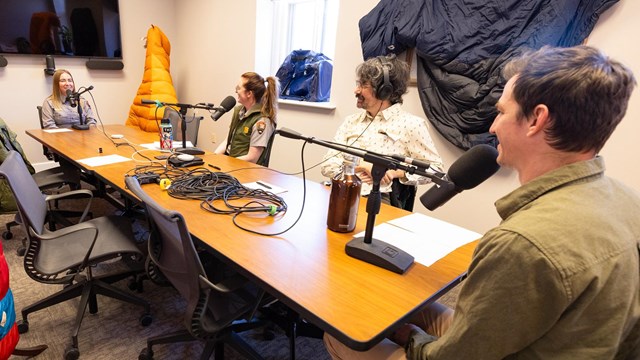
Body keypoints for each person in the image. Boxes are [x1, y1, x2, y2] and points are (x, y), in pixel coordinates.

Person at [324, 45, 640, 359]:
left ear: (536, 120)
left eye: (501, 112)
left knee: (341, 337)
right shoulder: (628, 203)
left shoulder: (522, 243)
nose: (492, 127)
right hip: (552, 337)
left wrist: (410, 338)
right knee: (405, 306)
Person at [320, 54, 443, 211]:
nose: (356, 90)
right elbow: (327, 165)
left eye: (364, 85)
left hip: (380, 199)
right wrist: (360, 166)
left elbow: (436, 170)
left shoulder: (412, 125)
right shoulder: (351, 121)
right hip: (341, 191)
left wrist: (394, 173)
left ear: (384, 91)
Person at [214, 72, 278, 166]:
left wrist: (226, 163)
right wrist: (214, 158)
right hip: (231, 163)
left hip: (245, 169)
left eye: (239, 88)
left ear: (249, 93)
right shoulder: (238, 111)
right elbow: (227, 140)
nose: (236, 91)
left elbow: (252, 158)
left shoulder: (263, 120)